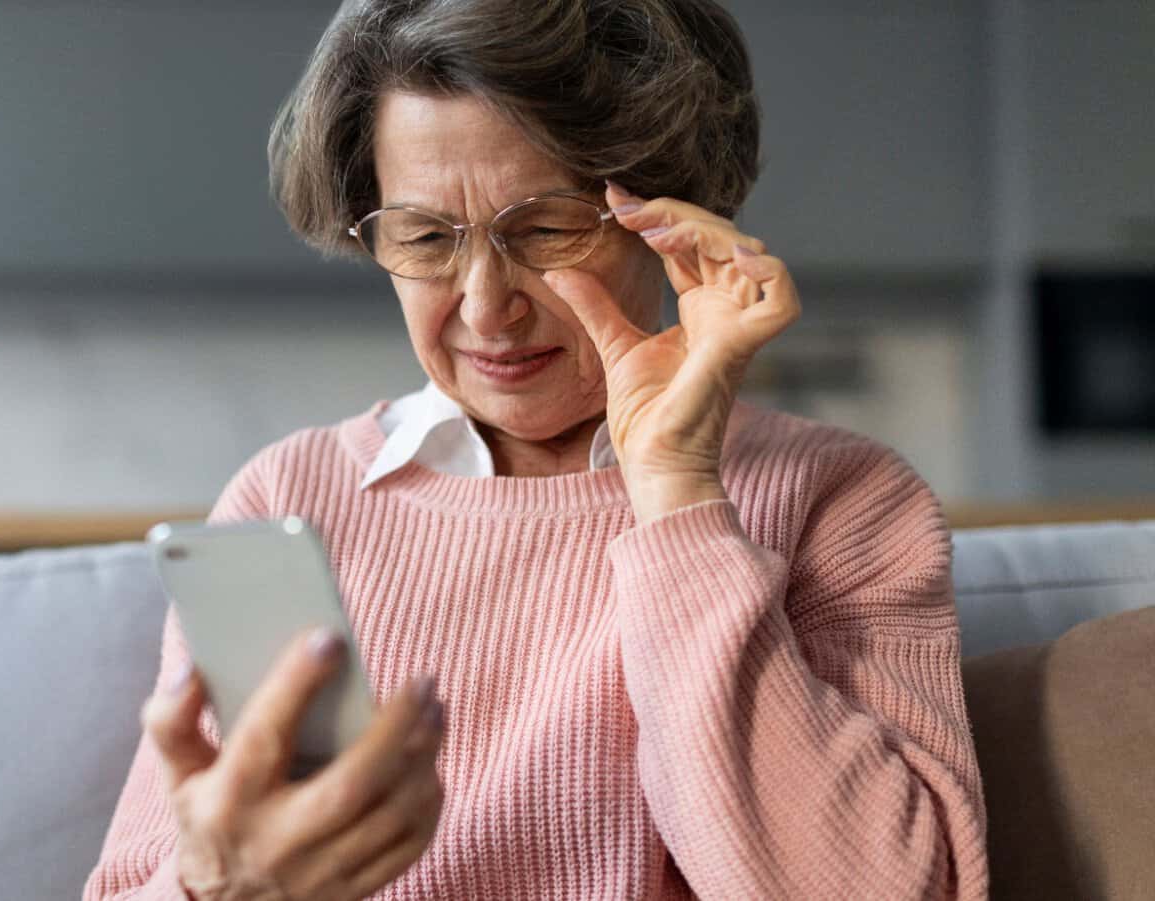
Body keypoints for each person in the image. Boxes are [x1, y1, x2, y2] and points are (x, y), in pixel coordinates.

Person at [87, 0, 989, 897]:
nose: (485, 307)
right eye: (425, 236)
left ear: (673, 215)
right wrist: (216, 888)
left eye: (545, 228)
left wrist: (677, 496)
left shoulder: (842, 498)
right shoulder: (291, 495)